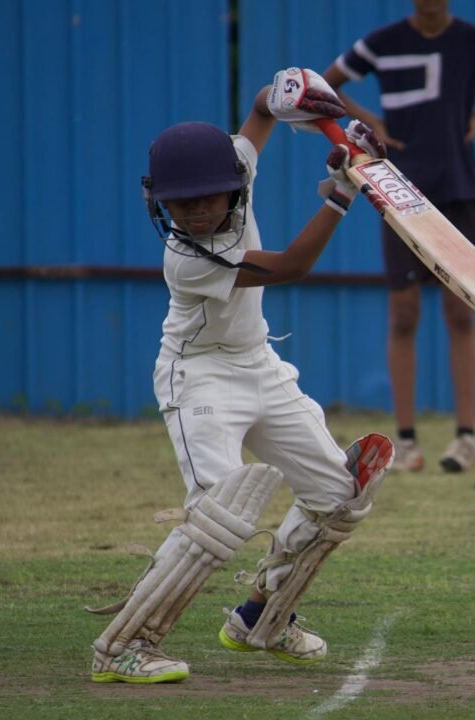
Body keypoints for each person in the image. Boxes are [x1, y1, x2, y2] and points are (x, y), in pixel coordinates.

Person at [87, 68, 395, 684]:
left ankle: (262, 618)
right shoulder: (187, 258)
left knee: (341, 496)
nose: (196, 212)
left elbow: (260, 115)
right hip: (197, 376)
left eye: (207, 198)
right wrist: (342, 190)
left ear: (232, 185)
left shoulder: (236, 166)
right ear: (159, 203)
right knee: (219, 515)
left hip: (259, 362)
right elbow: (289, 267)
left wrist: (283, 94)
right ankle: (123, 647)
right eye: (180, 203)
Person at [322, 0, 475, 474]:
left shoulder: (473, 40)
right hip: (398, 189)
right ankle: (405, 443)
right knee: (404, 313)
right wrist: (374, 124)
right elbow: (327, 86)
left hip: (459, 187)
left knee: (460, 308)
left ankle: (466, 439)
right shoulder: (384, 42)